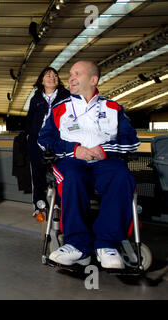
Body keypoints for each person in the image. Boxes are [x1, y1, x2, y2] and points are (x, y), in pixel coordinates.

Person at [38, 61, 140, 269]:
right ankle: (77, 245)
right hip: (72, 161)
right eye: (70, 74)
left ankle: (107, 245)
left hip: (106, 161)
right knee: (71, 177)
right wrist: (74, 149)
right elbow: (44, 139)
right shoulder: (60, 109)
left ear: (93, 80)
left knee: (122, 176)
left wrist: (106, 150)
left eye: (77, 74)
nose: (71, 78)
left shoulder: (113, 108)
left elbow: (132, 140)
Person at [25, 67, 70, 215]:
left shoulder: (66, 96)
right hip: (37, 142)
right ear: (42, 81)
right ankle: (40, 205)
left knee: (60, 172)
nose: (52, 78)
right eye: (48, 75)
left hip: (58, 141)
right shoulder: (36, 99)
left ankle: (59, 204)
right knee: (38, 174)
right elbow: (29, 120)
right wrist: (32, 135)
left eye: (55, 75)